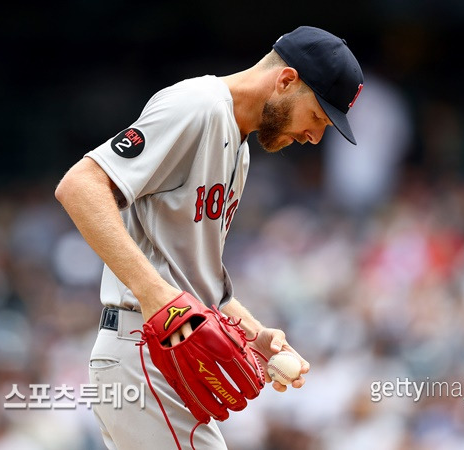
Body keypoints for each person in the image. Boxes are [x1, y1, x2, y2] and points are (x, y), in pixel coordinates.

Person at [55, 25, 364, 449]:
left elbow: (194, 280)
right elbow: (80, 185)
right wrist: (154, 296)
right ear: (287, 80)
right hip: (145, 351)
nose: (315, 136)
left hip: (155, 356)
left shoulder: (239, 149)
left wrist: (254, 333)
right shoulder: (198, 106)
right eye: (317, 117)